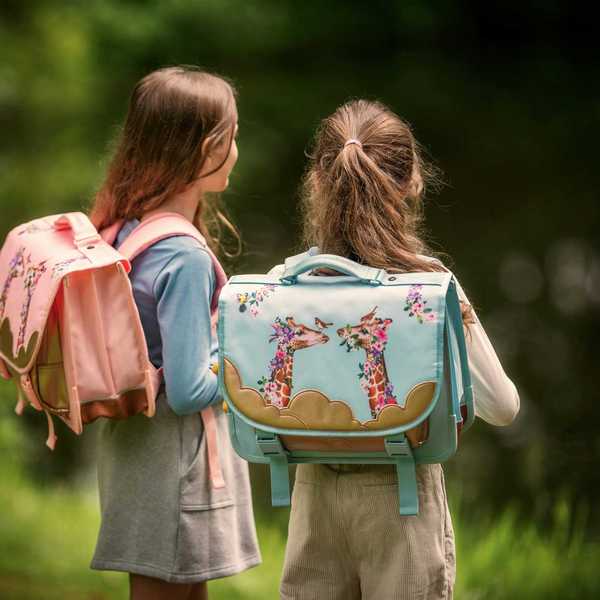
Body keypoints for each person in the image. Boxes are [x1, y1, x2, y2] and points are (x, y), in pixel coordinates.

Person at [279, 99, 520, 600]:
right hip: (402, 502)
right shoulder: (430, 287)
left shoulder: (287, 282)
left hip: (313, 498)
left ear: (318, 183)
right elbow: (502, 407)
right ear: (412, 181)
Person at [88, 66, 261, 600]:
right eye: (232, 136)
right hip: (176, 463)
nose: (236, 149)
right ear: (205, 147)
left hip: (137, 453)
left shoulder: (129, 227)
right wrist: (246, 360)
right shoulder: (182, 255)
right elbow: (188, 390)